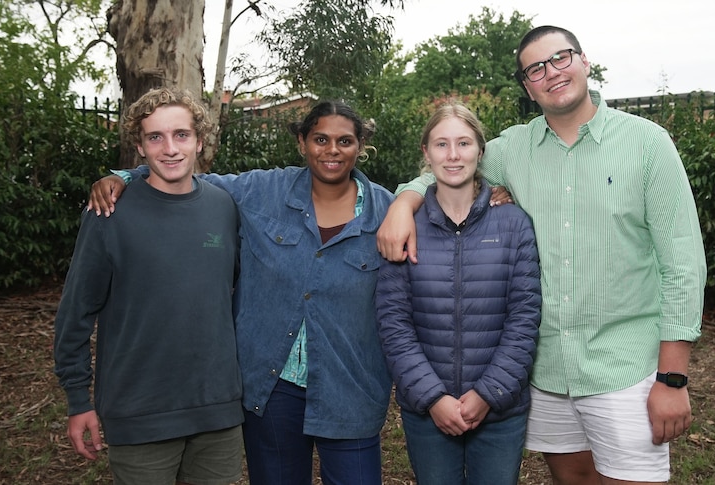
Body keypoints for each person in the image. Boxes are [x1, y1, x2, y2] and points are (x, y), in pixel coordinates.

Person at [376, 26, 707, 485]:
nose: (551, 73)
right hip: (547, 371)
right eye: (535, 69)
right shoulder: (513, 149)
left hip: (624, 365)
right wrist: (402, 203)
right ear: (528, 86)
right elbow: (448, 166)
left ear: (585, 61)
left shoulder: (648, 145)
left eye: (560, 58)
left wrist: (673, 379)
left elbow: (683, 266)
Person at [88, 100, 394, 485]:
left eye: (345, 141)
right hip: (272, 388)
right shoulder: (262, 191)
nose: (332, 150)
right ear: (302, 142)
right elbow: (185, 177)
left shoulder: (387, 211)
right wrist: (125, 176)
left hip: (350, 386)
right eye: (320, 139)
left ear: (360, 145)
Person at [53, 87, 244, 485]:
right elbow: (76, 312)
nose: (170, 148)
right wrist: (77, 399)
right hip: (139, 411)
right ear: (139, 147)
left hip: (217, 411)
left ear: (200, 140)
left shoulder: (224, 207)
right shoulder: (109, 212)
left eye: (181, 135)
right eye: (155, 137)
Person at [374, 103, 541, 485]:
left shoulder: (514, 223)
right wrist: (433, 398)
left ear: (480, 151)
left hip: (500, 410)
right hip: (428, 412)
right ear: (426, 152)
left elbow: (524, 318)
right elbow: (393, 323)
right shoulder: (404, 226)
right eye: (441, 144)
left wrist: (488, 393)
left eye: (464, 143)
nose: (453, 155)